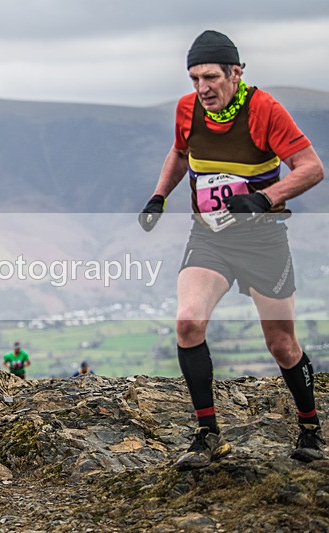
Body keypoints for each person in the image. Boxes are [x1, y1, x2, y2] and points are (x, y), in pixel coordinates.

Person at [138, 31, 324, 470]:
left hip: (263, 240)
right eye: (193, 78)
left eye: (210, 77)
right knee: (188, 322)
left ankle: (310, 428)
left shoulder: (264, 110)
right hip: (210, 236)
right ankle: (207, 435)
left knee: (281, 343)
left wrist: (265, 198)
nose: (202, 88)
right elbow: (180, 153)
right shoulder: (188, 109)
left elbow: (312, 168)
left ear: (235, 74)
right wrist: (158, 196)